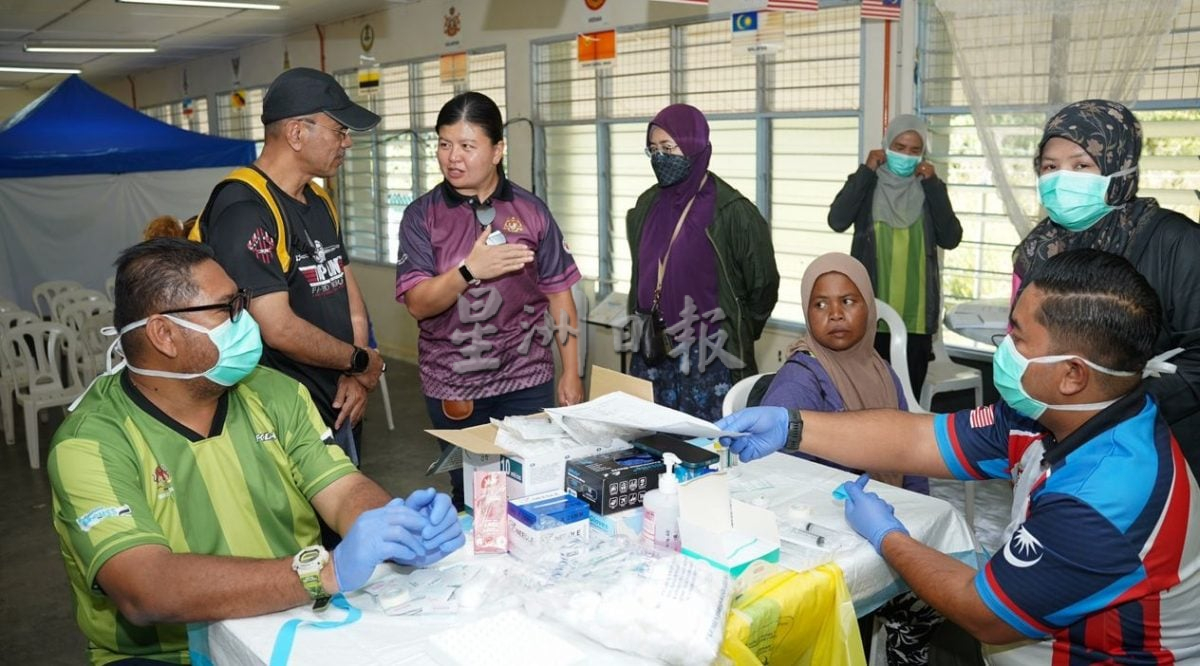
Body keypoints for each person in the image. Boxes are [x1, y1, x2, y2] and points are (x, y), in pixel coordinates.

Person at [717, 248, 1200, 664]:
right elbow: (917, 439)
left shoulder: (1104, 497)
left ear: (1072, 374)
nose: (1003, 348)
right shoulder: (1047, 416)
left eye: (1017, 337)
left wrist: (889, 538)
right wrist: (792, 426)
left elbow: (983, 612)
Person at [48, 238, 463, 665]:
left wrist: (393, 527)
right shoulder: (91, 443)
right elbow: (144, 587)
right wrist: (323, 572)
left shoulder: (276, 393)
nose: (245, 320)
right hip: (169, 654)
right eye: (227, 308)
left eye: (242, 302)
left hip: (292, 617)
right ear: (164, 334)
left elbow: (341, 489)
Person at [396, 91, 581, 509]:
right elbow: (418, 303)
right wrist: (469, 271)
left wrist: (571, 371)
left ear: (497, 150)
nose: (452, 158)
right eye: (444, 144)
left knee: (534, 487)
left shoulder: (530, 211)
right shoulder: (421, 216)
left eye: (466, 146)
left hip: (527, 378)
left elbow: (558, 292)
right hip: (456, 383)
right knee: (477, 497)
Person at [193, 67, 384, 468]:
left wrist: (356, 370)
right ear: (297, 133)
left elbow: (347, 292)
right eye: (339, 130)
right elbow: (277, 327)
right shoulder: (245, 208)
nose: (347, 142)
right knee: (299, 529)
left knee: (345, 526)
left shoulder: (318, 201)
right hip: (281, 417)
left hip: (340, 398)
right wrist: (359, 361)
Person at [761, 252, 932, 664]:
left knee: (934, 580)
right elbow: (773, 465)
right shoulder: (803, 375)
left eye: (848, 302)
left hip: (881, 519)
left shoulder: (879, 369)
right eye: (820, 304)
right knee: (926, 597)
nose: (834, 314)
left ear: (869, 307)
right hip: (827, 533)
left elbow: (907, 450)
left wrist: (921, 514)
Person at [1013, 98, 1200, 466]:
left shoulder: (1177, 241)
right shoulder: (1038, 249)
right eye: (1050, 167)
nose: (1061, 178)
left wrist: (1120, 404)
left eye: (1081, 165)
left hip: (1159, 442)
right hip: (1063, 437)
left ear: (1121, 167)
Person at [626, 103, 779, 421]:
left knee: (706, 448)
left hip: (709, 357)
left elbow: (762, 286)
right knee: (650, 440)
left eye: (669, 148)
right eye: (653, 149)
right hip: (653, 350)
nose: (660, 158)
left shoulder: (732, 211)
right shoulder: (646, 206)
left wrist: (737, 327)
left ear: (695, 146)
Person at [828, 115, 962, 395]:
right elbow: (837, 220)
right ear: (886, 146)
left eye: (915, 150)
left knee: (906, 396)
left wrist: (933, 185)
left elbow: (951, 238)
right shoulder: (867, 185)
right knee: (865, 394)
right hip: (870, 314)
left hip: (916, 316)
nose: (906, 155)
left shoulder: (930, 189)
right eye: (899, 147)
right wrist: (866, 170)